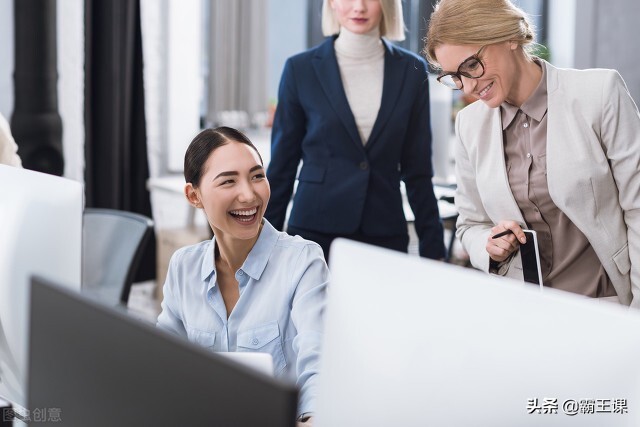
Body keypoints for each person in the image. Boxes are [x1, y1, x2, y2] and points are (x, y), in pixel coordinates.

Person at [424, 0, 640, 307]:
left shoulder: (599, 94)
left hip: (605, 304)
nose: (468, 86)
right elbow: (470, 224)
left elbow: (638, 208)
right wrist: (489, 247)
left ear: (509, 37)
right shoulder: (470, 125)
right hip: (523, 312)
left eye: (471, 65)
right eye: (455, 77)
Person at [157, 127, 328, 424]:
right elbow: (160, 364)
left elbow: (318, 365)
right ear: (194, 195)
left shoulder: (303, 262)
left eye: (257, 176)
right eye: (228, 181)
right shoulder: (183, 267)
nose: (249, 195)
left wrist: (312, 418)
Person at [266, 0, 445, 261]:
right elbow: (282, 167)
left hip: (385, 231)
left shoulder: (411, 70)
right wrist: (262, 247)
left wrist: (434, 250)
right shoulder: (300, 69)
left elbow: (418, 170)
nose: (359, 7)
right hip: (314, 231)